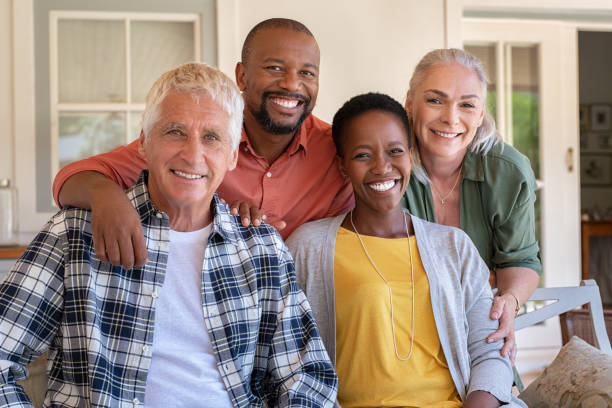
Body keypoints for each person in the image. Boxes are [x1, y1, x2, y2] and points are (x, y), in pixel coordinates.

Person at [0, 63, 337, 407]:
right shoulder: (74, 234)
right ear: (144, 143)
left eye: (211, 137)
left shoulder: (261, 248)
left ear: (232, 154)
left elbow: (307, 380)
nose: (193, 155)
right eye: (175, 132)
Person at [51, 18, 353, 269]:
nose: (291, 83)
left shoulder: (337, 149)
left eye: (306, 73)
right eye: (275, 68)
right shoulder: (195, 141)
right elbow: (72, 178)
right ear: (243, 76)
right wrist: (108, 198)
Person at [287, 92, 526, 408]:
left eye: (395, 151)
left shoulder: (453, 246)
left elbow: (491, 350)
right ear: (342, 166)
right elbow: (287, 358)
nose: (381, 167)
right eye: (362, 155)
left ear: (410, 155)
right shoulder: (308, 247)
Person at [401, 48, 541, 360]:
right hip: (404, 332)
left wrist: (509, 299)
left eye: (467, 105)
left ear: (480, 114)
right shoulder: (389, 167)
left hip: (479, 332)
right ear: (410, 103)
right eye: (435, 100)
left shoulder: (507, 171)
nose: (451, 118)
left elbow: (520, 260)